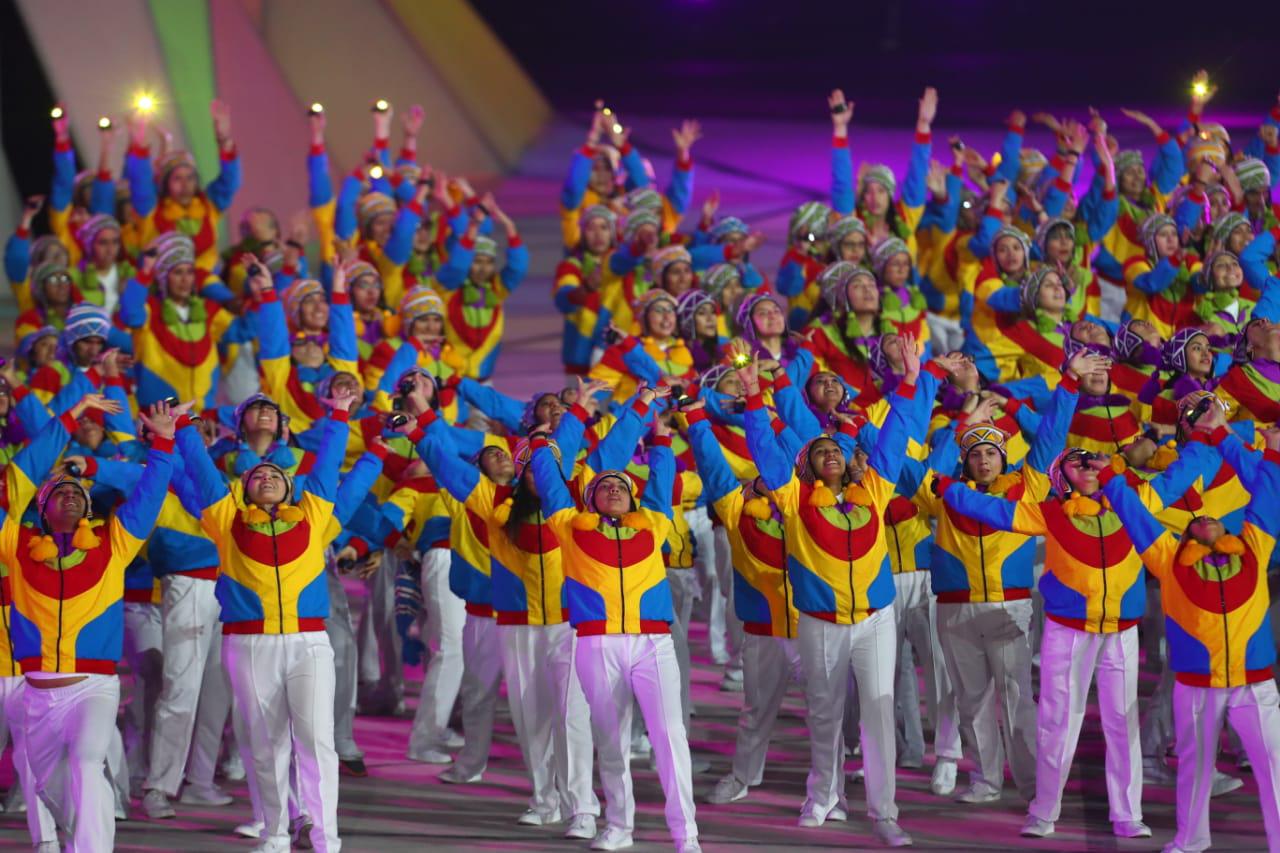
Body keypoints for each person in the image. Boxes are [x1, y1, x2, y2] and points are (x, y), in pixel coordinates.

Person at [741, 335, 928, 847]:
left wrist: (910, 382)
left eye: (835, 450)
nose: (829, 454)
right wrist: (755, 399)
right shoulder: (792, 497)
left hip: (875, 619)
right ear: (806, 464)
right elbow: (763, 449)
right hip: (820, 621)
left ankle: (885, 811)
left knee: (878, 709)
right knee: (824, 714)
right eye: (819, 451)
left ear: (848, 461)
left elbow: (893, 438)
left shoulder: (874, 488)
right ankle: (823, 797)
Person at [178, 383, 363, 852]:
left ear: (290, 486)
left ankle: (325, 838)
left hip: (309, 643)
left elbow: (325, 470)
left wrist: (340, 414)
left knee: (317, 743)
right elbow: (201, 475)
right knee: (264, 745)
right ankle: (276, 832)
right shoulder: (226, 520)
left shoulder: (314, 513)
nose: (266, 476)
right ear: (241, 490)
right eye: (257, 476)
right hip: (249, 644)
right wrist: (180, 430)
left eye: (275, 475)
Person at [6, 396, 176, 851]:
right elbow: (17, 478)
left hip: (93, 686)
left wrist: (163, 441)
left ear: (89, 509)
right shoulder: (15, 544)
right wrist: (66, 418)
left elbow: (149, 495)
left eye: (77, 493)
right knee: (51, 786)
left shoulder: (113, 544)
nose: (69, 495)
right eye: (58, 492)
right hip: (37, 691)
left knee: (86, 763)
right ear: (40, 509)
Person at [529, 406, 700, 853]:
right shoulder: (569, 525)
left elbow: (662, 483)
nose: (612, 489)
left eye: (620, 485)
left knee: (669, 736)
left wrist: (661, 439)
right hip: (596, 642)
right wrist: (539, 442)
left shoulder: (655, 521)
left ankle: (686, 834)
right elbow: (548, 483)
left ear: (633, 497)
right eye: (604, 486)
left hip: (652, 643)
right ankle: (619, 827)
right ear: (591, 500)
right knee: (611, 739)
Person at [1104, 420, 1280, 853]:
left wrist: (1265, 447)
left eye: (1215, 519)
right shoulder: (1168, 557)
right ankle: (1191, 839)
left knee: (1274, 769)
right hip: (1197, 686)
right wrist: (1108, 478)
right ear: (1184, 533)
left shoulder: (1256, 543)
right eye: (1197, 519)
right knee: (1195, 769)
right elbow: (1134, 513)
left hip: (1254, 683)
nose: (1207, 519)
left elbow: (1270, 493)